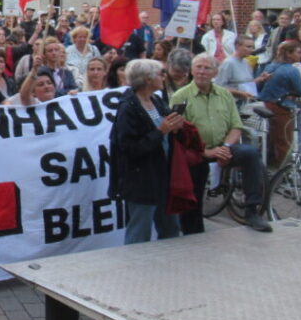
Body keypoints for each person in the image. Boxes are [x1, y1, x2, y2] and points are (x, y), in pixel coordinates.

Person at [171, 54, 272, 233]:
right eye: (198, 67)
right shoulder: (181, 96)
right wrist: (206, 152)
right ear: (192, 70)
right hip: (195, 151)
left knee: (250, 153)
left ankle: (252, 210)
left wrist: (225, 148)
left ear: (215, 72)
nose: (202, 72)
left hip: (223, 146)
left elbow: (236, 126)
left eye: (207, 68)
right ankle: (192, 228)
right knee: (195, 176)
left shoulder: (224, 95)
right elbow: (179, 134)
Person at [107, 59, 184, 244]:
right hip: (141, 180)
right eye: (160, 74)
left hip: (162, 175)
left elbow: (167, 130)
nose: (164, 77)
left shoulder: (156, 100)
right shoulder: (129, 108)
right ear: (147, 79)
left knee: (171, 227)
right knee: (140, 232)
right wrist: (160, 132)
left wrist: (175, 127)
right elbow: (130, 148)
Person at [259, 40, 301, 165]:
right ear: (289, 54)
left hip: (266, 104)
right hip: (281, 107)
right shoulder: (291, 70)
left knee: (270, 137)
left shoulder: (272, 65)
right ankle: (283, 171)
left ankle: (268, 163)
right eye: (298, 52)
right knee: (284, 140)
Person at [214, 35, 270, 103]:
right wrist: (239, 93)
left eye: (252, 47)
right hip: (231, 103)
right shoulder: (228, 63)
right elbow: (218, 87)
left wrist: (260, 79)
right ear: (237, 46)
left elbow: (246, 85)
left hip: (245, 103)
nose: (251, 50)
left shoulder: (246, 62)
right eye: (248, 47)